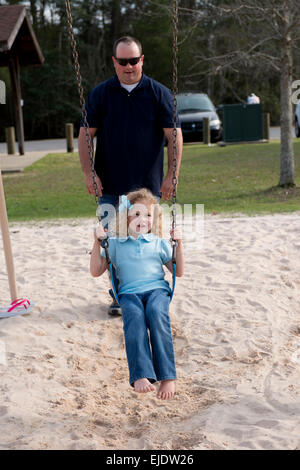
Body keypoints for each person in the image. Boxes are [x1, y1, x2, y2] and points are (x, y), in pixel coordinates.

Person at [78, 36, 183, 315]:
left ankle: (152, 290)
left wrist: (172, 173)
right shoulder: (100, 94)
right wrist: (89, 173)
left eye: (133, 60)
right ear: (114, 62)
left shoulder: (159, 94)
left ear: (142, 60)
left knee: (148, 240)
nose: (128, 66)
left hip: (147, 187)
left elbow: (174, 137)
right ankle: (119, 294)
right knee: (114, 241)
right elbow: (85, 136)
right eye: (122, 61)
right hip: (110, 183)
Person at [90, 188, 184, 400]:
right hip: (129, 294)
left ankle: (167, 376)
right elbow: (96, 270)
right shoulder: (115, 244)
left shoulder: (159, 243)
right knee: (134, 321)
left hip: (156, 291)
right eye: (137, 214)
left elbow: (178, 270)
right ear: (125, 217)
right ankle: (141, 374)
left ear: (155, 218)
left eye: (148, 215)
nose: (143, 219)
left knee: (156, 315)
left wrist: (179, 244)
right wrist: (97, 242)